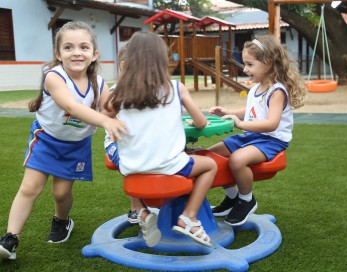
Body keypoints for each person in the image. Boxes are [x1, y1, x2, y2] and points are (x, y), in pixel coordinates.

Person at [0, 21, 127, 261]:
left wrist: (127, 97)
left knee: (61, 192)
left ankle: (61, 221)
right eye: (68, 47)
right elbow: (72, 107)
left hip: (76, 145)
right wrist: (106, 122)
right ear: (58, 54)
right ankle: (10, 239)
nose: (76, 52)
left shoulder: (99, 83)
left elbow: (110, 111)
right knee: (30, 188)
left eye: (83, 47)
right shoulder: (54, 77)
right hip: (46, 139)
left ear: (94, 54)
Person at [102, 31, 217, 247]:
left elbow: (105, 119)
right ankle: (189, 218)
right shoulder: (176, 88)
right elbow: (201, 122)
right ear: (162, 59)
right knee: (210, 165)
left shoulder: (118, 94)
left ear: (129, 61)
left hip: (132, 166)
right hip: (170, 165)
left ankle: (140, 210)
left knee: (118, 145)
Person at [209, 34, 307, 226]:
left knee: (237, 159)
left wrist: (239, 123)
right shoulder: (255, 89)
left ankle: (246, 200)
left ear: (268, 63)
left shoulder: (277, 91)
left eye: (250, 64)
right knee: (212, 154)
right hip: (252, 136)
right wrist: (228, 112)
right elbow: (252, 112)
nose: (245, 69)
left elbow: (271, 123)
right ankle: (232, 198)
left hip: (271, 140)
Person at [103, 41, 139, 224]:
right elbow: (105, 117)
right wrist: (113, 123)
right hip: (117, 144)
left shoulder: (149, 93)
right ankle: (137, 207)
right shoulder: (114, 92)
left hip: (141, 142)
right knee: (130, 165)